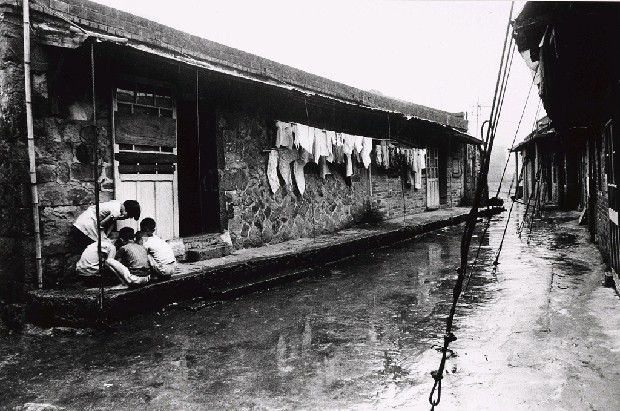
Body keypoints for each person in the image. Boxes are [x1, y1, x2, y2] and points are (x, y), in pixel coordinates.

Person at [72, 200, 141, 249]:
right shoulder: (116, 212)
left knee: (101, 243)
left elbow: (112, 222)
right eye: (128, 216)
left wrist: (107, 234)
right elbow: (101, 224)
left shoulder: (117, 204)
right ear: (127, 211)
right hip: (88, 222)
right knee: (103, 245)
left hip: (84, 220)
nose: (127, 218)